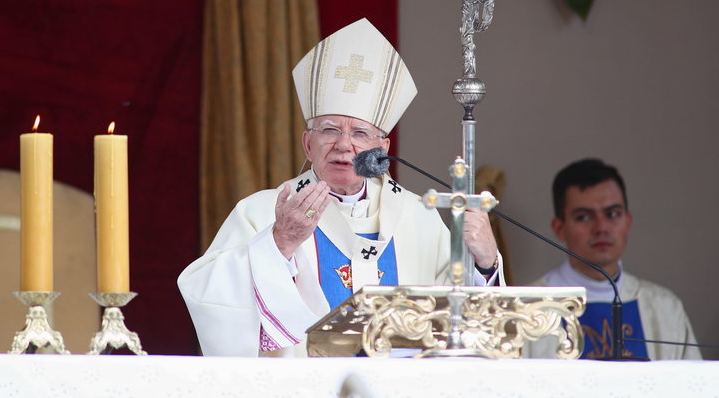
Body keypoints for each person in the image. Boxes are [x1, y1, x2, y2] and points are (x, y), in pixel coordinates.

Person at [178, 18, 503, 356]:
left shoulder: (418, 217)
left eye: (360, 133)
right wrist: (278, 244)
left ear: (383, 149)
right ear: (307, 144)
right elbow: (207, 293)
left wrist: (485, 265)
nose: (344, 145)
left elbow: (459, 324)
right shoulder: (261, 212)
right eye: (330, 130)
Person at [529, 158, 701, 360]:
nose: (601, 227)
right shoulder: (528, 309)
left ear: (628, 222)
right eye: (584, 217)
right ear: (559, 228)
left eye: (612, 214)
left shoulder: (664, 307)